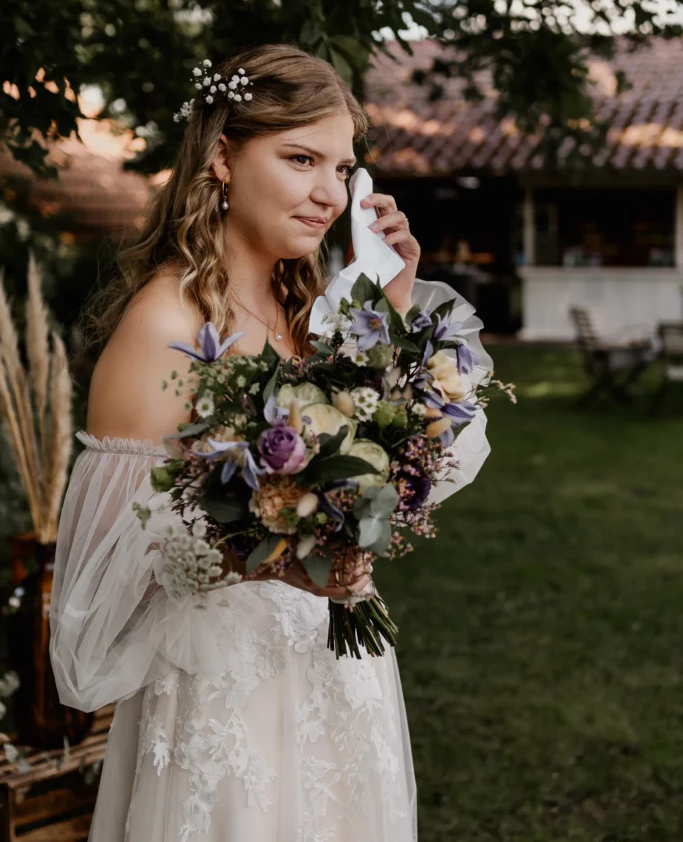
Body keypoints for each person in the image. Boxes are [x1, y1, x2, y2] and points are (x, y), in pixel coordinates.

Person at [49, 43, 491, 842]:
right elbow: (105, 578)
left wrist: (385, 306)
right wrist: (273, 557)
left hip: (339, 677)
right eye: (300, 159)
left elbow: (379, 468)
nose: (329, 193)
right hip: (226, 697)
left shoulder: (313, 312)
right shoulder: (166, 325)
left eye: (342, 169)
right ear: (222, 156)